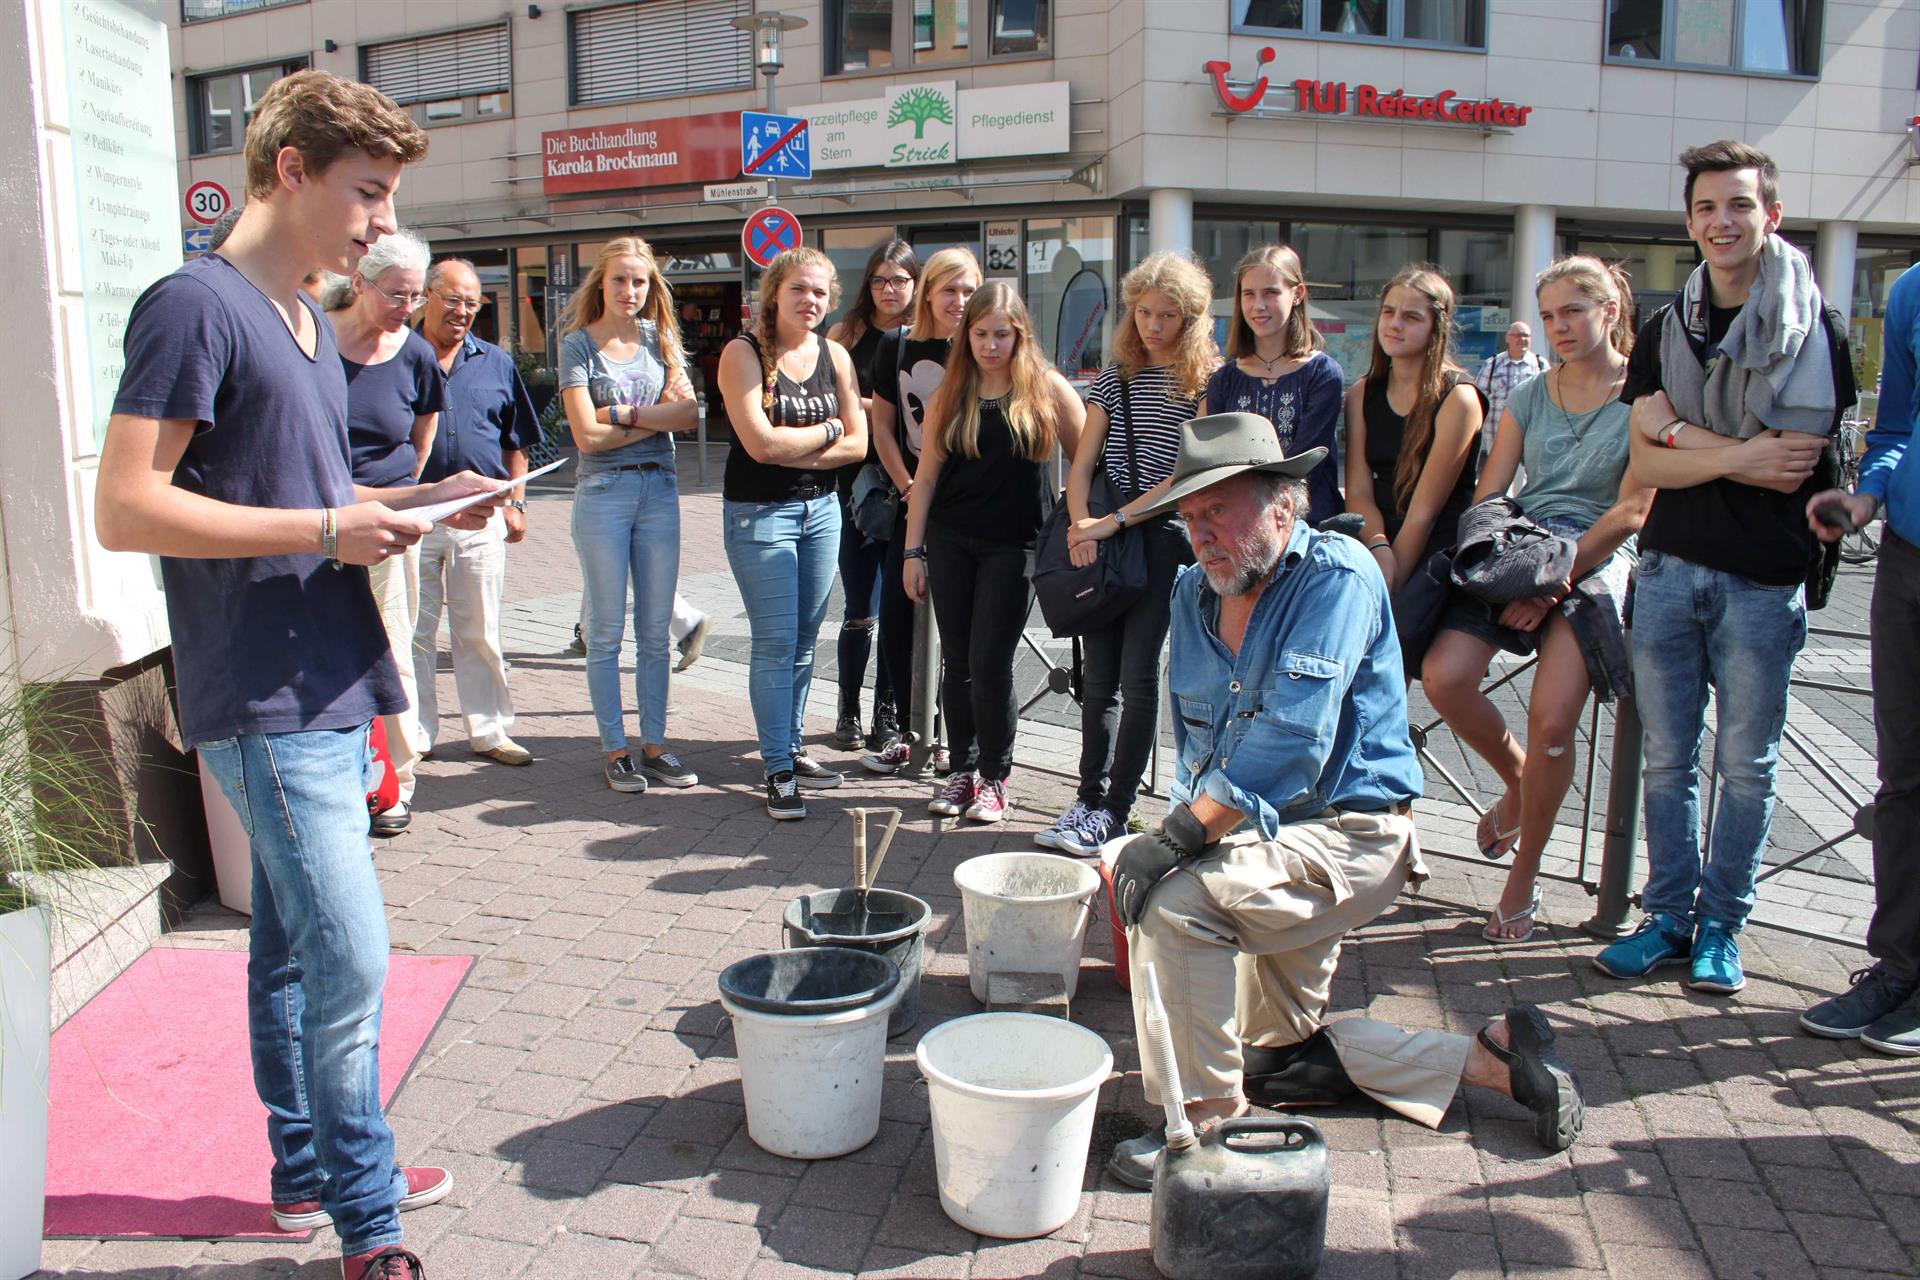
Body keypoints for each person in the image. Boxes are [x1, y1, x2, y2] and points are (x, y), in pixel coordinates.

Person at [93, 70, 502, 1280]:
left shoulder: (314, 327)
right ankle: (369, 1223)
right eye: (367, 194)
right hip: (260, 689)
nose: (383, 224)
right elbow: (125, 507)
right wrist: (327, 531)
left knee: (288, 945)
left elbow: (311, 494)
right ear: (290, 171)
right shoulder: (191, 306)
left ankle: (304, 1173)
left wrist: (416, 500)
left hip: (329, 673)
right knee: (351, 955)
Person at [1102, 414, 1584, 1189]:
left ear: (1284, 504)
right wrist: (1161, 835)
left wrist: (1179, 841)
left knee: (1177, 906)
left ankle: (1200, 1133)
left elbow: (1291, 741)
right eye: (1189, 516)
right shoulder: (1193, 591)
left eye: (1218, 509)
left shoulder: (1340, 573)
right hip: (1256, 837)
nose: (1201, 533)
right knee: (1275, 1059)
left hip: (1348, 835)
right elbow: (1199, 750)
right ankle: (1495, 1060)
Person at [1595, 140, 1854, 995]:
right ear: (1690, 221)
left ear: (1770, 215)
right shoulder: (1667, 330)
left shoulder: (1820, 332)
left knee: (1747, 764)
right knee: (1668, 759)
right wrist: (1741, 456)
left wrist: (1686, 443)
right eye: (1706, 208)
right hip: (1669, 570)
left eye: (1739, 206)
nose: (1722, 222)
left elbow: (1798, 459)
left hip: (1762, 581)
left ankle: (1722, 927)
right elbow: (1645, 469)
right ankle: (1667, 915)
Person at [1422, 257, 1653, 941]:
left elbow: (1634, 509)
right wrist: (1515, 566)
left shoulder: (1645, 394)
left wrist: (1555, 582)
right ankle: (1520, 786)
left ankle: (1524, 876)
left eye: (1572, 312)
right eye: (1549, 315)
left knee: (1554, 724)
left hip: (1599, 558)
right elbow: (1492, 493)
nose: (1559, 328)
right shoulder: (1530, 395)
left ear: (1610, 309)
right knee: (1444, 675)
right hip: (1529, 544)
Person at [1039, 252, 1213, 855]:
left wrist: (1109, 523)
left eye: (1168, 315)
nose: (1153, 326)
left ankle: (1117, 809)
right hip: (1106, 538)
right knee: (1100, 677)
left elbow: (1187, 478)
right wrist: (1079, 525)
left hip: (1161, 541)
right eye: (1144, 313)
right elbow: (1081, 460)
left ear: (1190, 319)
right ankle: (1088, 799)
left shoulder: (1202, 383)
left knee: (1140, 678)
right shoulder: (1114, 377)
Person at [903, 282, 1085, 824]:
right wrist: (913, 551)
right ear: (966, 336)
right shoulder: (951, 392)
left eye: (1001, 334)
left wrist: (1085, 524)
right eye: (979, 333)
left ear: (1019, 334)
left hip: (1016, 545)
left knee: (990, 662)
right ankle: (961, 768)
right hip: (950, 539)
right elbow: (927, 477)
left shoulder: (1048, 389)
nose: (989, 344)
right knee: (957, 661)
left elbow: (1086, 462)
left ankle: (994, 778)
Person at [1801, 261, 1920, 1055]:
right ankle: (1900, 969)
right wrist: (1870, 493)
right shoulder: (1912, 290)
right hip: (1909, 556)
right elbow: (1899, 425)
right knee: (1904, 776)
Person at [718, 247, 869, 819]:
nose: (811, 302)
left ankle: (791, 745)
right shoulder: (744, 352)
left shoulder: (836, 355)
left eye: (821, 293)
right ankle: (777, 769)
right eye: (800, 290)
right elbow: (760, 446)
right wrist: (829, 430)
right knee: (777, 642)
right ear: (775, 294)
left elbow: (859, 445)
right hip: (761, 514)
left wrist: (799, 445)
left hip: (822, 511)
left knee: (806, 642)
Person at [557, 238, 701, 793]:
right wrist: (655, 418)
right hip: (603, 493)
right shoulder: (578, 347)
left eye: (639, 281)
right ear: (602, 283)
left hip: (659, 490)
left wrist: (621, 412)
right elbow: (587, 438)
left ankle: (656, 745)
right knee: (607, 632)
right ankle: (616, 749)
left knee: (655, 632)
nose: (630, 291)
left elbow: (689, 414)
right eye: (619, 280)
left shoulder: (660, 339)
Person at [324, 230, 444, 836]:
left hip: (387, 520)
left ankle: (396, 779)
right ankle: (340, 772)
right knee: (324, 648)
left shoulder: (415, 352)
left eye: (415, 297)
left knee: (391, 645)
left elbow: (423, 426)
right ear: (362, 283)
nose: (407, 308)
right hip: (316, 516)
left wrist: (408, 491)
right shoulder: (315, 337)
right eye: (397, 294)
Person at [412, 260, 543, 773]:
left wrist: (516, 502)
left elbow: (519, 441)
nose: (463, 311)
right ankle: (417, 733)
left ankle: (489, 731)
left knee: (481, 628)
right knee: (413, 631)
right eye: (452, 299)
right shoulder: (398, 354)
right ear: (426, 296)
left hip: (482, 514)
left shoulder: (495, 362)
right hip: (415, 515)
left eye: (472, 303)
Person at [860, 247, 981, 776]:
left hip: (966, 509)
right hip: (909, 501)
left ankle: (955, 740)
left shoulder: (981, 347)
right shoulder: (897, 344)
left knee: (960, 630)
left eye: (969, 290)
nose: (959, 301)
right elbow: (883, 428)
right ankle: (912, 732)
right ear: (928, 291)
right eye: (949, 289)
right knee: (899, 619)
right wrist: (910, 488)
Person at [826, 238, 919, 751]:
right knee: (859, 604)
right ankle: (848, 709)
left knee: (899, 608)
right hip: (855, 482)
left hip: (907, 482)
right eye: (880, 280)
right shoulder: (847, 332)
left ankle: (888, 712)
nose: (889, 290)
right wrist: (875, 405)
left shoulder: (922, 336)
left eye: (899, 280)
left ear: (914, 283)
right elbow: (827, 397)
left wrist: (861, 405)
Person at [1345, 265, 1487, 595]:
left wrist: (1390, 584)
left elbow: (1424, 512)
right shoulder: (1361, 393)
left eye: (1411, 317)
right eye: (1389, 312)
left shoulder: (1459, 398)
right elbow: (1358, 493)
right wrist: (1379, 550)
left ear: (1436, 327)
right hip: (1374, 538)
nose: (1394, 324)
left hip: (1437, 550)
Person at [1199, 243, 1344, 523]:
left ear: (1298, 294)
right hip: (1239, 528)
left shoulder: (1323, 374)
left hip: (1308, 526)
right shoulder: (1224, 380)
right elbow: (1218, 464)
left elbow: (1304, 463)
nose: (1258, 305)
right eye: (1249, 294)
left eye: (1271, 293)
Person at [1475, 320, 1550, 467]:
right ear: (1508, 338)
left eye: (1525, 336)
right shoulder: (1493, 364)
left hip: (1530, 432)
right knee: (1499, 473)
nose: (1521, 339)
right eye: (1517, 335)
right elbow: (1479, 398)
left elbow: (1549, 398)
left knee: (1527, 476)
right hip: (1496, 432)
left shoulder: (1540, 364)